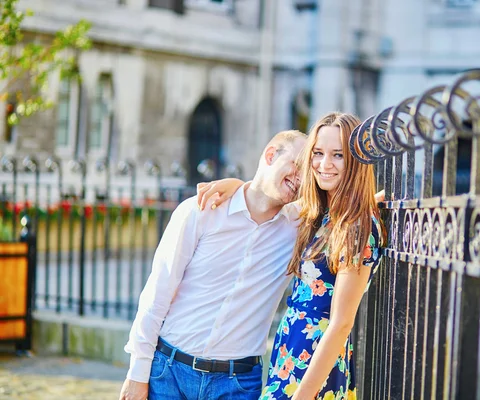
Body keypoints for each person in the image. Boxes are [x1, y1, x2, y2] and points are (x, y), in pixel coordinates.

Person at [197, 112, 382, 400]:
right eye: (318, 153)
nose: (324, 164)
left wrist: (303, 394)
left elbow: (342, 323)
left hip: (314, 370)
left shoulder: (356, 226)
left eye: (338, 155)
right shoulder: (324, 214)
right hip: (290, 357)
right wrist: (235, 185)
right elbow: (264, 195)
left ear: (356, 161)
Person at [119, 129, 306, 400]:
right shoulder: (200, 210)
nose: (300, 179)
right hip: (168, 373)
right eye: (296, 165)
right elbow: (157, 293)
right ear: (270, 154)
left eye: (307, 175)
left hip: (238, 384)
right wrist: (137, 372)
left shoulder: (298, 229)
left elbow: (347, 207)